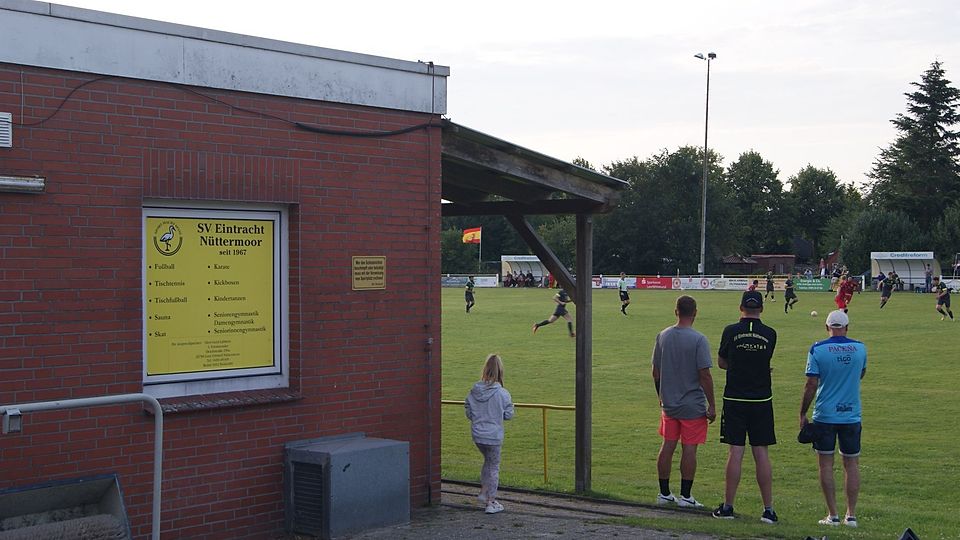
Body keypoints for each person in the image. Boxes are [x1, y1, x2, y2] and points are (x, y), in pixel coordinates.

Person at [713, 291, 779, 524]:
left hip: (735, 398)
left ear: (741, 307)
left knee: (736, 452)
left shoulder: (730, 331)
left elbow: (722, 362)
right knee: (761, 453)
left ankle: (728, 507)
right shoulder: (770, 333)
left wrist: (738, 365)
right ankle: (768, 510)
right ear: (761, 309)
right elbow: (764, 360)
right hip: (761, 399)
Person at [800, 310, 867, 528]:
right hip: (851, 414)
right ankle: (851, 515)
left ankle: (833, 515)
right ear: (847, 327)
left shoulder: (818, 349)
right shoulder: (860, 348)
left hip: (825, 415)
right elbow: (861, 373)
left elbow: (811, 384)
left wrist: (802, 413)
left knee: (825, 464)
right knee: (851, 463)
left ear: (826, 327)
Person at [651, 295, 716, 508]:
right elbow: (704, 375)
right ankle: (686, 496)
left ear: (675, 311)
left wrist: (661, 396)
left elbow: (655, 372)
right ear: (695, 312)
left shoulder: (663, 336)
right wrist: (712, 404)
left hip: (669, 404)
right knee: (689, 448)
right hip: (692, 405)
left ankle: (664, 493)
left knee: (667, 445)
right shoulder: (699, 339)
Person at [465, 354, 515, 515]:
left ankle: (484, 491)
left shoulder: (474, 391)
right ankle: (491, 501)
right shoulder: (503, 393)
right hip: (493, 436)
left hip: (478, 435)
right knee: (493, 466)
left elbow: (469, 413)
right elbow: (509, 415)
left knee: (487, 462)